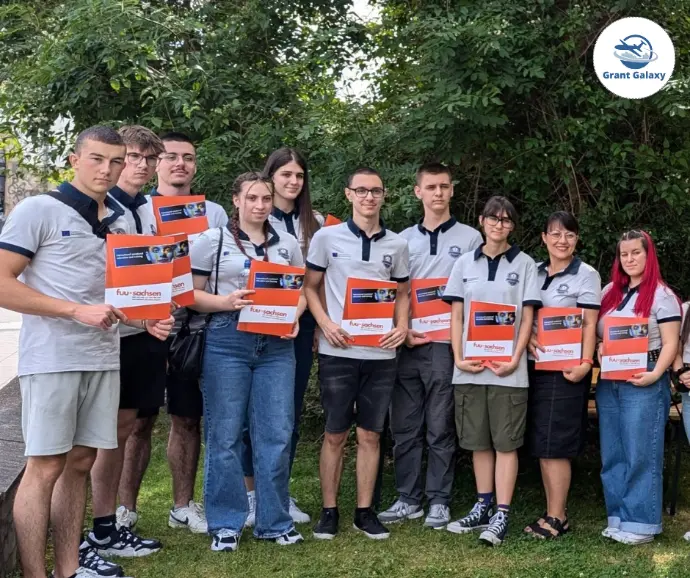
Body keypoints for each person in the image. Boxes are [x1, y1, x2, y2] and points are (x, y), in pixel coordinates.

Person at [0, 126, 173, 578]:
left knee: (80, 463)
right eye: (97, 158)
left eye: (116, 161)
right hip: (52, 360)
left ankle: (69, 569)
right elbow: (2, 283)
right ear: (74, 160)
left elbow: (114, 300)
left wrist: (145, 320)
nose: (107, 169)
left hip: (104, 357)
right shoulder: (39, 209)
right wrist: (75, 310)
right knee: (44, 466)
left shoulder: (120, 220)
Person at [118, 132, 228, 535]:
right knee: (137, 421)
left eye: (189, 157)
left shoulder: (213, 212)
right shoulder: (136, 208)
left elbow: (222, 269)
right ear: (156, 164)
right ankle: (124, 508)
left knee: (187, 418)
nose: (180, 163)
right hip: (144, 326)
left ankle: (183, 506)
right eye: (171, 156)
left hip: (194, 329)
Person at [190, 172, 306, 551]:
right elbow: (190, 295)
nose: (260, 205)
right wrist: (224, 302)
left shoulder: (287, 243)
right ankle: (225, 524)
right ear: (236, 201)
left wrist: (294, 316)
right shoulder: (212, 240)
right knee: (224, 435)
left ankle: (274, 522)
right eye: (252, 198)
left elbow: (301, 291)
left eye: (266, 198)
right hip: (227, 340)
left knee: (276, 433)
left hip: (276, 347)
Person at [304, 167, 410, 540]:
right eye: (361, 190)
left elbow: (402, 293)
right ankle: (329, 511)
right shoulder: (326, 237)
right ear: (348, 194)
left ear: (384, 195)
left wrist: (401, 326)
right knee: (335, 434)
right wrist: (324, 324)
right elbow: (310, 287)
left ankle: (364, 512)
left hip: (380, 354)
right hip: (338, 350)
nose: (369, 197)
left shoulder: (397, 244)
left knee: (370, 435)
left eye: (375, 191)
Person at [378, 162, 482, 529]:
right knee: (405, 426)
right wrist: (402, 329)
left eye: (444, 186)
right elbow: (395, 292)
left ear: (452, 190)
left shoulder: (472, 238)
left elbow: (477, 293)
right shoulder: (401, 239)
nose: (438, 193)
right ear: (417, 191)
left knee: (440, 426)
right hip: (407, 343)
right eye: (431, 187)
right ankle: (408, 498)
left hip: (445, 345)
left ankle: (439, 500)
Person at [82, 126, 166, 569]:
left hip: (145, 335)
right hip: (107, 337)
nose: (141, 166)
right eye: (134, 157)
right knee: (99, 436)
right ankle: (98, 527)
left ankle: (108, 525)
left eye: (150, 159)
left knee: (125, 428)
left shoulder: (149, 209)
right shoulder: (98, 206)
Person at [442, 195, 541, 546]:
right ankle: (482, 505)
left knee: (505, 443)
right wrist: (458, 357)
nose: (499, 225)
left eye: (506, 219)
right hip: (470, 368)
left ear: (513, 225)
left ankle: (501, 512)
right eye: (493, 218)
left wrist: (515, 359)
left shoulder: (525, 264)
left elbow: (527, 317)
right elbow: (456, 316)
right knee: (478, 442)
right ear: (482, 221)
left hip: (508, 372)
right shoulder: (464, 263)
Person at [241, 147, 323, 526]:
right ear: (270, 177)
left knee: (287, 413)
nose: (293, 181)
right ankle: (250, 495)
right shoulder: (254, 213)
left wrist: (314, 324)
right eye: (285, 174)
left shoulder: (316, 223)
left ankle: (279, 493)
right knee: (250, 416)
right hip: (252, 322)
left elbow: (318, 282)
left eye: (299, 175)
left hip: (297, 324)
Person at [596, 230, 680, 545]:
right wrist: (600, 346)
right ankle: (619, 517)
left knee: (641, 451)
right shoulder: (609, 292)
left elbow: (671, 342)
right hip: (610, 378)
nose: (629, 259)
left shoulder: (662, 295)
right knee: (613, 450)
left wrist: (655, 374)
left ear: (648, 255)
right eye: (624, 254)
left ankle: (642, 523)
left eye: (636, 252)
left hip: (645, 375)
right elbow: (598, 332)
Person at [523, 211, 601, 539]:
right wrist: (527, 337)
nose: (562, 240)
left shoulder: (586, 274)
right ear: (544, 238)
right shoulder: (532, 270)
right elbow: (523, 314)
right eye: (555, 234)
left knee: (555, 442)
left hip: (566, 370)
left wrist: (585, 362)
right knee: (543, 441)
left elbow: (589, 323)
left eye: (569, 234)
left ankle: (557, 517)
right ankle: (553, 512)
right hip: (533, 366)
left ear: (577, 239)